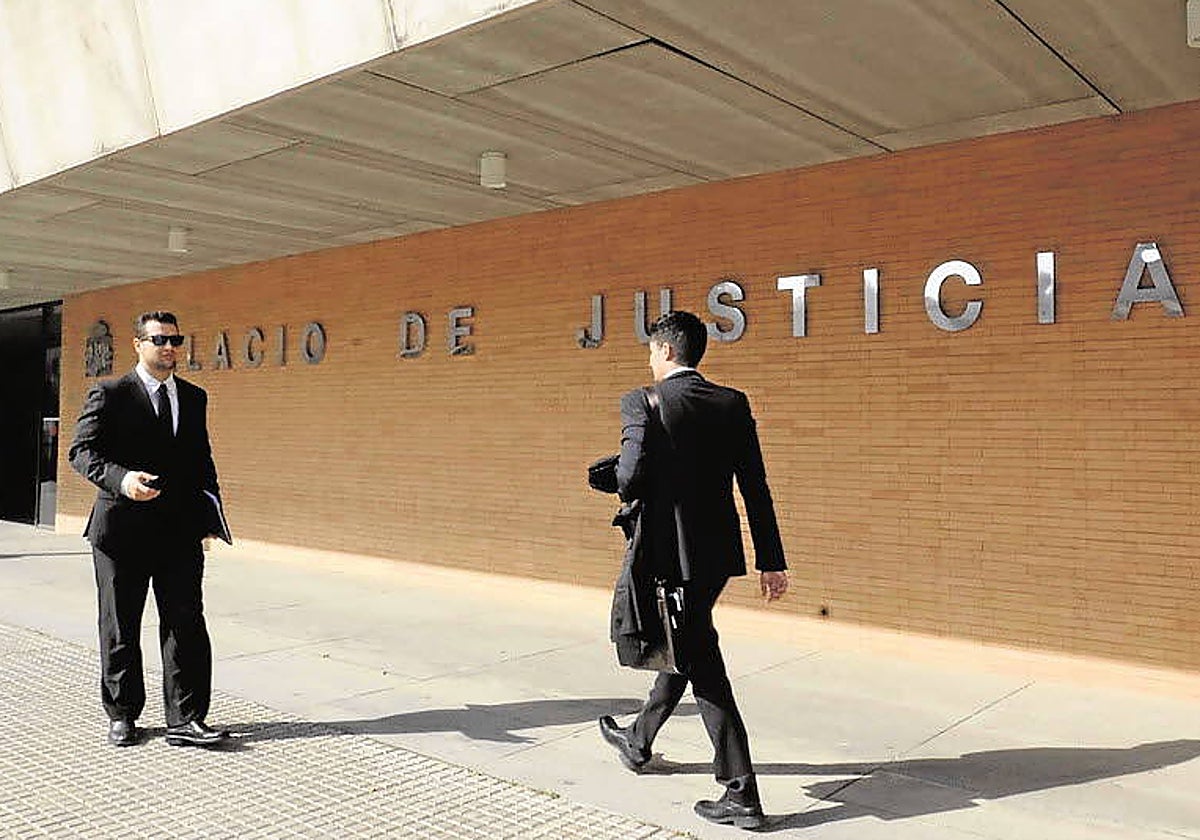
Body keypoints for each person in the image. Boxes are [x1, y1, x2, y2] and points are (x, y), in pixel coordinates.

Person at [598, 310, 788, 830]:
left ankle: (741, 792)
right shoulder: (732, 402)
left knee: (704, 666)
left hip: (666, 557)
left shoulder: (644, 400)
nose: (650, 359)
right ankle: (638, 741)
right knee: (688, 641)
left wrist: (612, 476)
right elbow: (755, 486)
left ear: (664, 351)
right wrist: (771, 560)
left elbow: (631, 476)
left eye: (650, 351)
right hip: (717, 558)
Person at [69, 311, 230, 748]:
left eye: (175, 339)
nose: (169, 347)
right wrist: (122, 480)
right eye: (159, 339)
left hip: (178, 532)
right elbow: (81, 451)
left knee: (186, 624)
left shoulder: (194, 398)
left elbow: (202, 461)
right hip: (120, 531)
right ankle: (122, 714)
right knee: (120, 623)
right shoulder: (110, 393)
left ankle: (187, 718)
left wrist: (208, 520)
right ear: (137, 343)